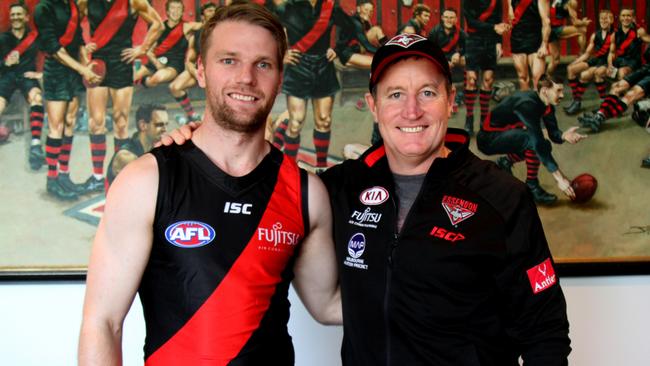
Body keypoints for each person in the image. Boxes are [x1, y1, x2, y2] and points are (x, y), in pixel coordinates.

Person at [164, 33, 572, 365]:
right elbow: (263, 182)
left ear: (451, 100)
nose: (411, 110)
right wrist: (197, 145)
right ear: (374, 107)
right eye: (395, 95)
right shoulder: (338, 188)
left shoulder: (501, 196)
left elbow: (546, 332)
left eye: (427, 92)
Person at [78, 3, 341, 364]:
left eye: (262, 64)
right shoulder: (146, 180)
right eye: (229, 60)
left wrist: (436, 280)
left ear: (280, 79)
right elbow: (102, 323)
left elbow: (329, 305)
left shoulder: (307, 192)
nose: (246, 78)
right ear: (201, 71)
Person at [80, 0, 163, 193]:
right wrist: (84, 47)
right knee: (96, 122)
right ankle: (97, 176)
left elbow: (157, 24)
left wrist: (142, 49)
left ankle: (118, 176)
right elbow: (74, 24)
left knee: (120, 121)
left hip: (121, 64)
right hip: (98, 64)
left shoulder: (133, 2)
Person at [269, 0, 354, 170]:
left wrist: (337, 49)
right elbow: (264, 29)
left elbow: (350, 28)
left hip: (323, 66)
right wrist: (280, 52)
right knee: (296, 122)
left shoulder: (331, 6)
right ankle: (289, 169)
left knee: (324, 120)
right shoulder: (287, 7)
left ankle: (321, 167)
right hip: (297, 66)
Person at [476, 74, 587, 204]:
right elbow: (536, 140)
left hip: (506, 135)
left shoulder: (547, 105)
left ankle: (506, 161)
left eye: (562, 90)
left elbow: (554, 134)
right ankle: (532, 186)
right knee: (533, 141)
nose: (562, 95)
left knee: (543, 145)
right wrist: (560, 178)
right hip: (488, 139)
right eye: (558, 90)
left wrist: (563, 135)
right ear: (545, 90)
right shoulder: (527, 104)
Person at [34, 0, 101, 200]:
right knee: (57, 126)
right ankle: (52, 179)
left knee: (70, 122)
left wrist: (87, 66)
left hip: (73, 71)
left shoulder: (71, 5)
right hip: (55, 70)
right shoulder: (43, 8)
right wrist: (83, 69)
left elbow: (79, 41)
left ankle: (64, 175)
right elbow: (55, 50)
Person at [0, 3, 45, 170]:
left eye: (19, 14)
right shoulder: (3, 39)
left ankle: (35, 145)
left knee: (37, 97)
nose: (15, 18)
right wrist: (5, 63)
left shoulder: (34, 38)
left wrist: (41, 74)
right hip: (7, 77)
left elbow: (50, 55)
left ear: (26, 17)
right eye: (13, 15)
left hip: (27, 75)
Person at [463, 0, 511, 135]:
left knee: (488, 80)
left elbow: (499, 22)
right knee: (471, 79)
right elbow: (471, 22)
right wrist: (493, 28)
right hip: (473, 40)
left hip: (490, 41)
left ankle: (484, 120)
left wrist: (499, 43)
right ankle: (469, 117)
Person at [133, 0, 202, 89]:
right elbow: (149, 51)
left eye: (179, 8)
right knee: (131, 74)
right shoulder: (160, 28)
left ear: (182, 12)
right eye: (173, 8)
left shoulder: (187, 27)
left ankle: (144, 81)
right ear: (168, 11)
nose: (176, 11)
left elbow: (204, 24)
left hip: (173, 66)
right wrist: (157, 64)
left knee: (158, 77)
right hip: (155, 63)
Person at [168, 2, 217, 123]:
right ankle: (192, 115)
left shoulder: (224, 32)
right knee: (175, 87)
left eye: (214, 10)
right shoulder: (196, 34)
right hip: (199, 69)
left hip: (216, 70)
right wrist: (195, 72)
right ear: (202, 16)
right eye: (209, 10)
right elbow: (189, 60)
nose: (212, 12)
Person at [564, 9, 613, 115]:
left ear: (612, 20)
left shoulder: (615, 34)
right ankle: (577, 101)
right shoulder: (596, 34)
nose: (604, 21)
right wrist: (575, 62)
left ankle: (604, 103)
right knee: (570, 69)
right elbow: (587, 54)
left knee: (584, 75)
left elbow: (614, 53)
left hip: (606, 62)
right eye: (601, 18)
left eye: (606, 18)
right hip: (596, 59)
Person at [106, 104, 168, 186]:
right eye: (159, 125)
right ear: (143, 125)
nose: (165, 129)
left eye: (166, 124)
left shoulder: (153, 149)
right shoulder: (126, 157)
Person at [508, 0, 550, 91]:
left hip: (535, 39)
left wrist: (544, 45)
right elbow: (511, 17)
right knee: (523, 78)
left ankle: (539, 104)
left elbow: (546, 22)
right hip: (517, 39)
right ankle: (526, 104)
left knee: (538, 80)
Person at [546, 0, 590, 76]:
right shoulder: (571, 2)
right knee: (582, 30)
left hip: (549, 31)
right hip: (556, 29)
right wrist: (584, 22)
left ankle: (547, 77)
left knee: (555, 59)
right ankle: (581, 55)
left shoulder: (555, 1)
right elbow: (576, 22)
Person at [607, 7, 645, 81]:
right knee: (606, 73)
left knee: (622, 73)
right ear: (620, 17)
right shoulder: (615, 33)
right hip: (619, 61)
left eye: (628, 15)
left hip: (633, 62)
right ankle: (617, 89)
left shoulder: (639, 31)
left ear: (633, 18)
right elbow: (611, 53)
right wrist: (610, 65)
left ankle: (623, 90)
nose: (626, 18)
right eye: (623, 15)